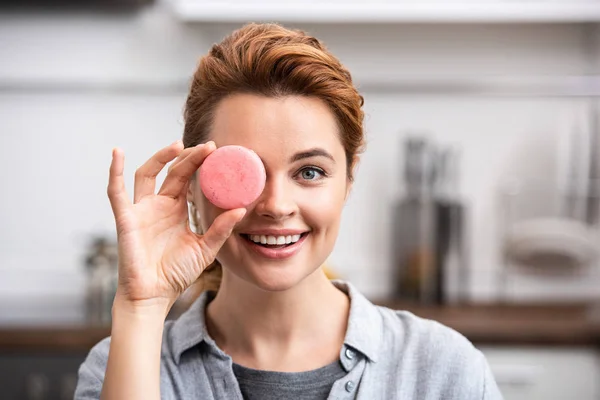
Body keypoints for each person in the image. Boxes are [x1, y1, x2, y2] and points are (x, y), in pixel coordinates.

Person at [74, 22, 502, 400]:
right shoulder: (123, 364)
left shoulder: (446, 370)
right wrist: (141, 307)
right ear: (192, 185)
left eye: (310, 172)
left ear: (348, 180)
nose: (277, 206)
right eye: (247, 173)